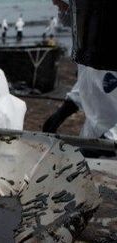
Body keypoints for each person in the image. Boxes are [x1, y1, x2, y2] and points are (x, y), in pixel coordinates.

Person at [43, 0, 117, 158]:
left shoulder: (109, 43)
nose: (58, 7)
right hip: (92, 133)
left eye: (62, 5)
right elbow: (88, 81)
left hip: (111, 148)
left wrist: (109, 140)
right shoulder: (88, 44)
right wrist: (65, 109)